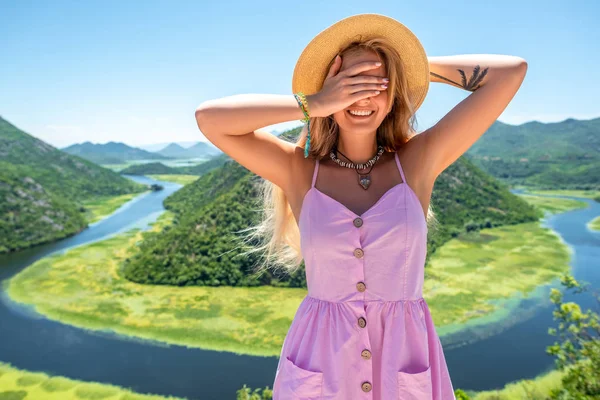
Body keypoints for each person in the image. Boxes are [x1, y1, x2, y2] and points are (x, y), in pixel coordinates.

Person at [195, 13, 527, 400]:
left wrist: (410, 66)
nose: (364, 95)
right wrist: (315, 101)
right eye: (352, 82)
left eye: (378, 83)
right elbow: (210, 119)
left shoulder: (417, 163)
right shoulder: (299, 171)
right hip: (321, 361)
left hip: (405, 360)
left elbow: (510, 73)